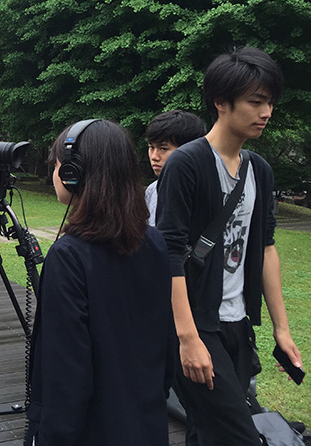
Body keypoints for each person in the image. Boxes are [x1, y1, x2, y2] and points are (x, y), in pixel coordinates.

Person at [156, 46, 304, 445]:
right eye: (256, 102)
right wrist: (187, 339)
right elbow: (168, 253)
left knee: (206, 431)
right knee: (239, 434)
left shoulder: (260, 169)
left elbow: (267, 249)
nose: (266, 112)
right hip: (195, 323)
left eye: (269, 102)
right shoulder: (185, 164)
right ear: (221, 102)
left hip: (238, 322)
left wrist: (282, 328)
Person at [26, 119, 174, 445]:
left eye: (57, 165)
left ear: (73, 174)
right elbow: (166, 346)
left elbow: (66, 376)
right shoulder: (155, 243)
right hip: (146, 425)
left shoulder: (68, 257)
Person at [145, 110, 207, 226]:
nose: (154, 157)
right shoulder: (152, 190)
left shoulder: (208, 191)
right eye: (151, 147)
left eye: (163, 149)